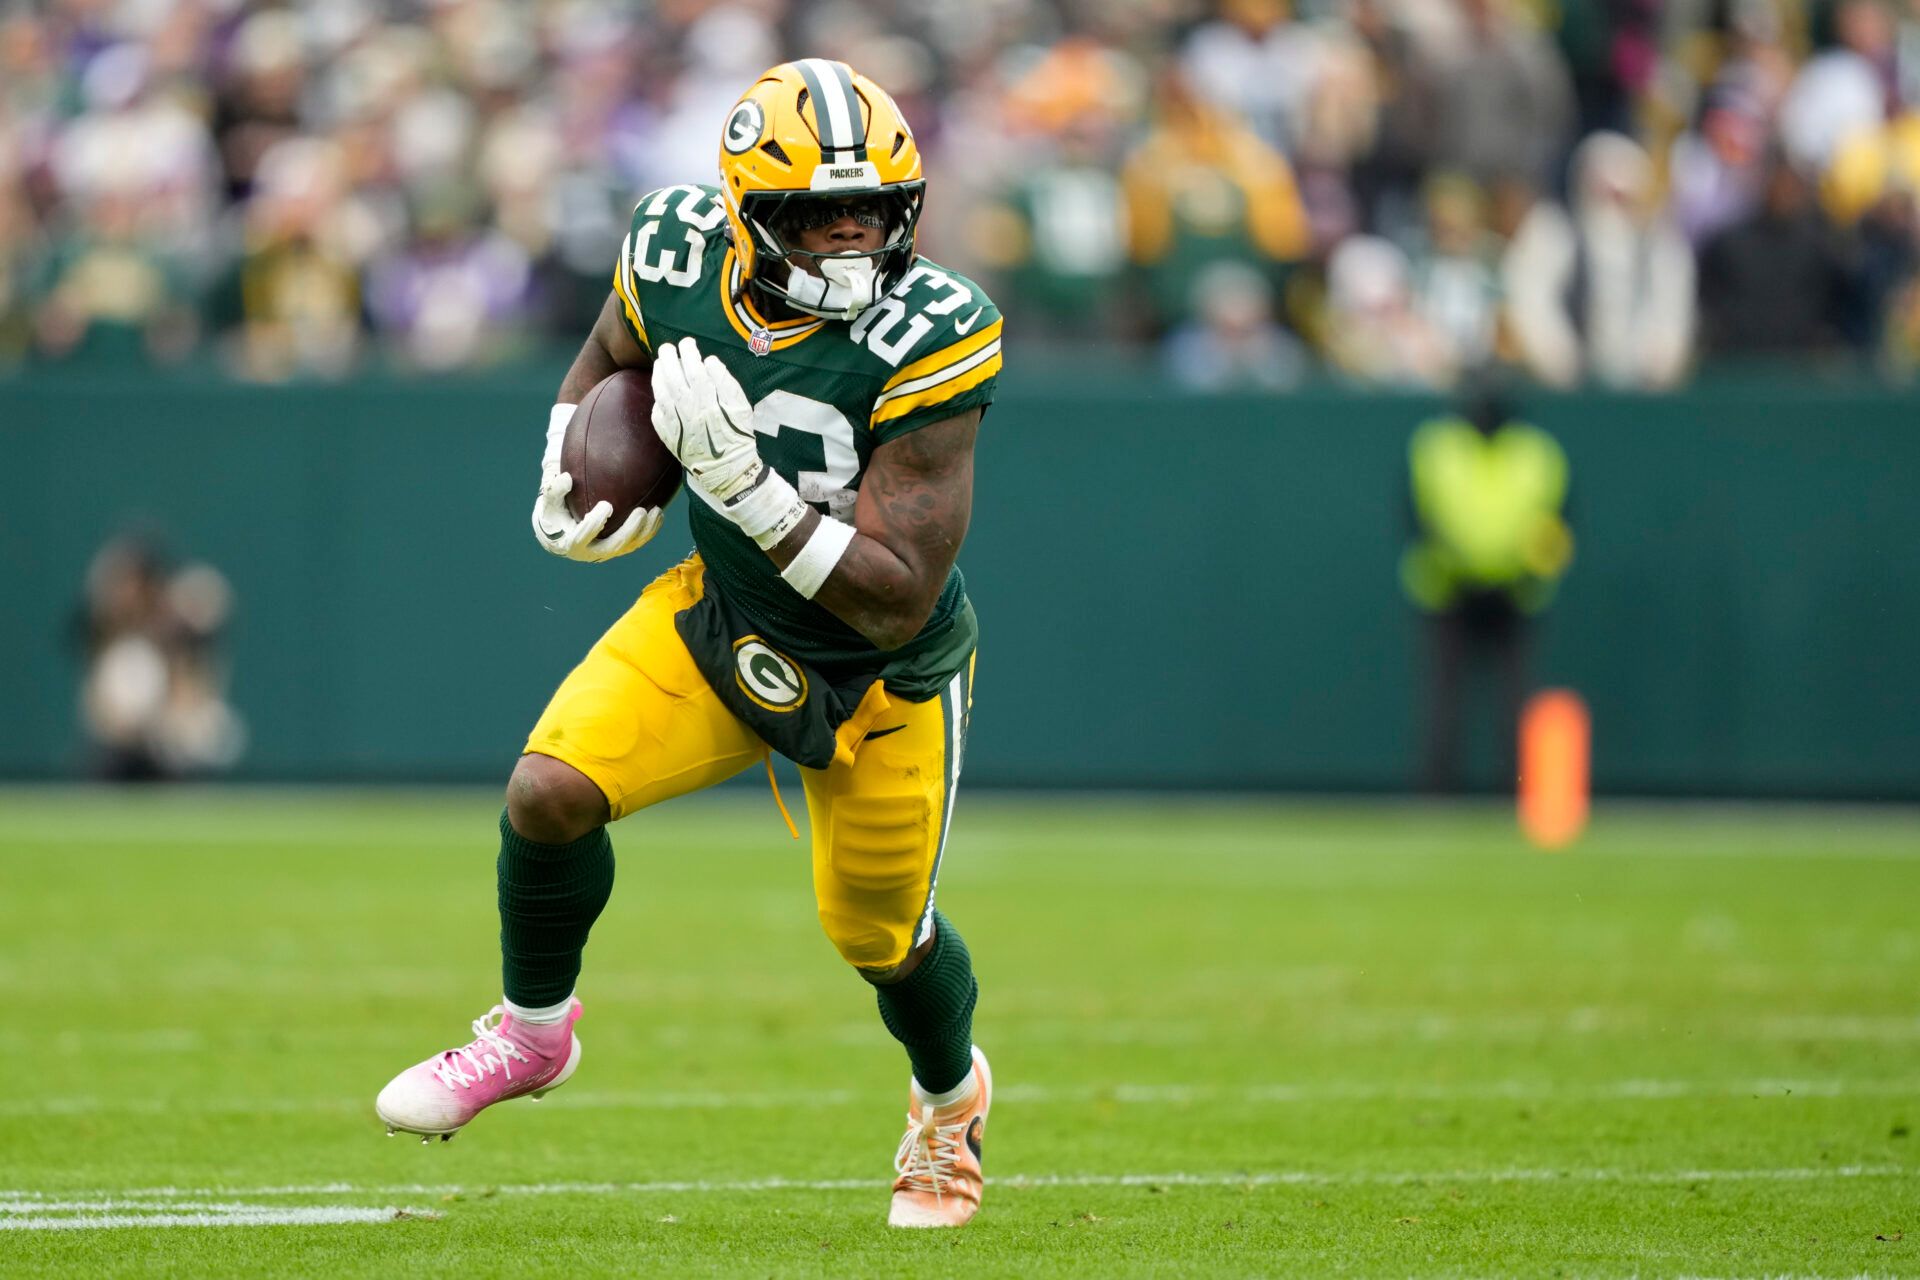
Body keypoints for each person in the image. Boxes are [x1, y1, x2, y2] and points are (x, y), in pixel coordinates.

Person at [374, 60, 1001, 1231]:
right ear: (747, 215)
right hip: (725, 611)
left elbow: (898, 596)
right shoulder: (672, 245)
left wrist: (753, 494)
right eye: (821, 215)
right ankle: (530, 1033)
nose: (854, 236)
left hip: (881, 680)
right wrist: (566, 457)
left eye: (875, 210)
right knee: (549, 790)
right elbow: (614, 350)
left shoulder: (938, 330)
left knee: (879, 937)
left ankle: (949, 1097)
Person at [1400, 382, 1572, 792]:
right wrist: (1456, 563)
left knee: (1514, 698)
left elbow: (1557, 524)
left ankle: (1516, 787)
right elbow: (1415, 518)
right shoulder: (1437, 448)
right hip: (1448, 590)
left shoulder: (1536, 454)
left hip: (1515, 594)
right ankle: (1436, 789)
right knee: (1444, 696)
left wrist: (1527, 571)